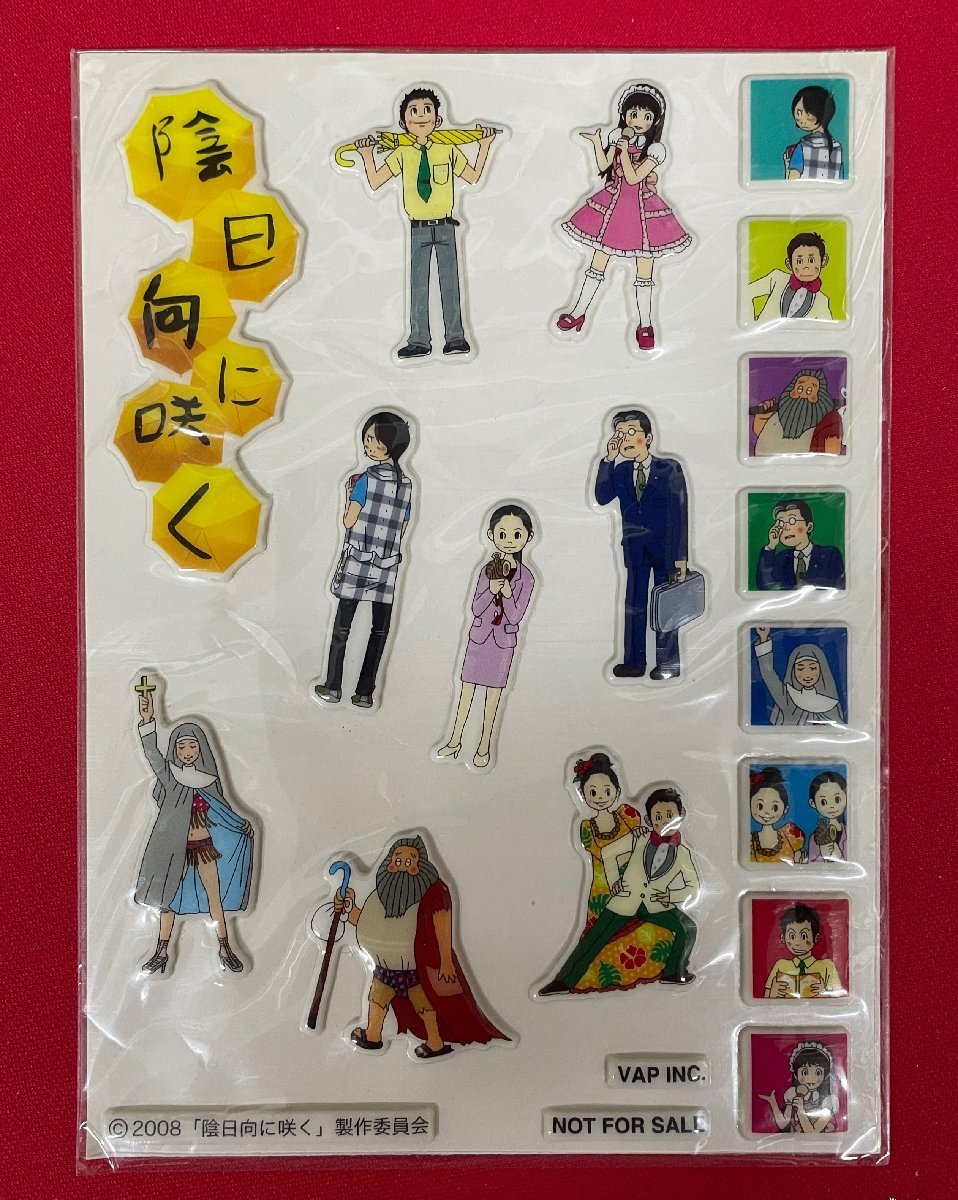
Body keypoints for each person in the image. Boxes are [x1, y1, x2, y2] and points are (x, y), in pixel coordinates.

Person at [351, 87, 497, 359]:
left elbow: (473, 177)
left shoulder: (448, 149)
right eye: (414, 111)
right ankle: (419, 340)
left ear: (438, 119)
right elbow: (376, 181)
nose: (421, 116)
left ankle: (455, 337)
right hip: (417, 228)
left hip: (446, 227)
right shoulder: (402, 152)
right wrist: (367, 155)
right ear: (403, 122)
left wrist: (485, 146)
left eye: (427, 110)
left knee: (450, 283)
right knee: (418, 285)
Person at [334, 835, 507, 1058]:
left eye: (409, 860)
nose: (402, 865)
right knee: (377, 999)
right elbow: (365, 921)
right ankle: (373, 1035)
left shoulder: (426, 897)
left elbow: (441, 929)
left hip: (414, 969)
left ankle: (435, 1041)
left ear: (418, 866)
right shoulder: (380, 896)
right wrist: (348, 908)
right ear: (389, 863)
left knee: (424, 1006)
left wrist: (446, 962)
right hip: (384, 968)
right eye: (398, 859)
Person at [557, 82, 691, 349]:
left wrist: (625, 150)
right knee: (597, 263)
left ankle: (645, 324)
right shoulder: (619, 138)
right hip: (613, 206)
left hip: (642, 211)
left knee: (644, 269)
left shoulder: (655, 150)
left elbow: (633, 176)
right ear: (625, 115)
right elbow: (604, 165)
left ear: (655, 121)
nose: (639, 120)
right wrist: (598, 142)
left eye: (646, 116)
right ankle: (579, 312)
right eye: (634, 114)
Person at [135, 687, 254, 975]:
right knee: (167, 901)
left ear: (200, 749)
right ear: (175, 750)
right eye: (181, 747)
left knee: (215, 898)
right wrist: (148, 720)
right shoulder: (171, 778)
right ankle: (161, 951)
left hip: (203, 847)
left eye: (192, 747)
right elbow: (153, 756)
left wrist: (241, 824)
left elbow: (222, 810)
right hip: (172, 849)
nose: (187, 752)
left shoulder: (207, 780)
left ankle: (225, 948)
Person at [540, 787, 699, 993]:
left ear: (681, 815)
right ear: (649, 820)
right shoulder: (639, 838)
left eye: (670, 815)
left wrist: (671, 896)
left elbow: (692, 886)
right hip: (625, 900)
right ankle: (564, 982)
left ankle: (673, 972)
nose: (664, 821)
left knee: (688, 927)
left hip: (655, 904)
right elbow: (608, 852)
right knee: (595, 937)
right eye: (658, 817)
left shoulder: (683, 853)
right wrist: (614, 881)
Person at [315, 412, 412, 709]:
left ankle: (333, 687)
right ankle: (365, 693)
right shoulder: (407, 485)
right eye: (366, 439)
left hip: (359, 561)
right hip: (387, 566)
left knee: (342, 629)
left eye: (373, 440)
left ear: (388, 445)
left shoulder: (365, 480)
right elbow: (403, 526)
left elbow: (348, 520)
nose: (367, 445)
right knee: (379, 632)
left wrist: (348, 495)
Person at [560, 754, 674, 993]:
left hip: (636, 884)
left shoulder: (628, 814)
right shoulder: (586, 827)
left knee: (649, 930)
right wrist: (627, 850)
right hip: (605, 889)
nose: (600, 797)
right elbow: (605, 855)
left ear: (617, 790)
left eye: (606, 790)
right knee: (601, 936)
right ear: (583, 796)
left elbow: (643, 846)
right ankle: (574, 977)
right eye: (592, 792)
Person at [437, 504, 536, 767]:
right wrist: (491, 590)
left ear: (528, 537)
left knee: (493, 697)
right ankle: (454, 740)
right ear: (492, 536)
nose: (509, 540)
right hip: (479, 638)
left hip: (503, 643)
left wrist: (507, 593)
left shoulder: (526, 578)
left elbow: (515, 616)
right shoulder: (486, 570)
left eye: (517, 534)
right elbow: (476, 608)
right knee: (466, 692)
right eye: (502, 534)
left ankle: (483, 746)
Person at [595, 409, 689, 680]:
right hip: (635, 551)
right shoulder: (621, 470)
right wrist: (608, 459)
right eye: (620, 433)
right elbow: (601, 497)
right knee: (634, 606)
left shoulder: (669, 468)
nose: (625, 438)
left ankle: (668, 663)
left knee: (667, 607)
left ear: (647, 438)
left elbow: (680, 513)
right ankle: (634, 662)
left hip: (666, 551)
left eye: (631, 432)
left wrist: (681, 557)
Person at [753, 628, 845, 726]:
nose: (807, 675)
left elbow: (840, 728)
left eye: (813, 668)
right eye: (800, 669)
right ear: (793, 672)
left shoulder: (831, 704)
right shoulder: (788, 698)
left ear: (821, 670)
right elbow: (768, 674)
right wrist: (763, 638)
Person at [756, 498, 845, 590]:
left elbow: (841, 587)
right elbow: (764, 585)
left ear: (809, 527)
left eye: (792, 521)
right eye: (781, 523)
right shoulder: (782, 558)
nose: (786, 528)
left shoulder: (830, 555)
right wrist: (771, 546)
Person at [752, 367, 844, 456]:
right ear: (792, 392)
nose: (803, 394)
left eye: (809, 391)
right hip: (764, 464)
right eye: (800, 388)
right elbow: (763, 435)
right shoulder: (777, 417)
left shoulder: (825, 424)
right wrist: (761, 418)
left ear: (816, 397)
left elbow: (832, 453)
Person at [747, 231, 833, 322]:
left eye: (811, 260)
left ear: (823, 261)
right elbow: (746, 292)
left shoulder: (822, 300)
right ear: (789, 264)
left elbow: (828, 327)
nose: (806, 267)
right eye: (799, 261)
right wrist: (751, 322)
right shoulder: (776, 278)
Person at [764, 903, 844, 998]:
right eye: (792, 936)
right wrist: (772, 994)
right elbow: (766, 998)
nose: (798, 943)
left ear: (815, 938)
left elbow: (839, 998)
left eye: (804, 936)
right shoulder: (780, 966)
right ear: (783, 938)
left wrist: (825, 994)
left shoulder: (827, 966)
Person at [760, 1041, 839, 1133]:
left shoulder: (829, 1101)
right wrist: (773, 1101)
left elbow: (812, 1132)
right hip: (794, 1140)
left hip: (820, 1141)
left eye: (818, 1072)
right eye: (805, 1072)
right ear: (796, 1075)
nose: (811, 1078)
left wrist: (801, 1110)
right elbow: (783, 1124)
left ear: (825, 1075)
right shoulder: (793, 1094)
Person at [785, 86, 844, 181]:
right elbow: (841, 180)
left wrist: (787, 166)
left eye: (805, 112)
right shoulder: (837, 148)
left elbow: (792, 180)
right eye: (798, 113)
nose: (799, 118)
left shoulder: (802, 147)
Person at [748, 767, 804, 864]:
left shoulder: (790, 835)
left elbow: (799, 861)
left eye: (774, 807)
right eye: (760, 806)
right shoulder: (749, 840)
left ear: (785, 809)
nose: (766, 813)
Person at [806, 770, 848, 862]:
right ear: (813, 803)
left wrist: (840, 857)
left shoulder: (850, 833)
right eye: (823, 802)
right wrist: (823, 855)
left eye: (837, 799)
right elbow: (811, 864)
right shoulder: (816, 837)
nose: (831, 806)